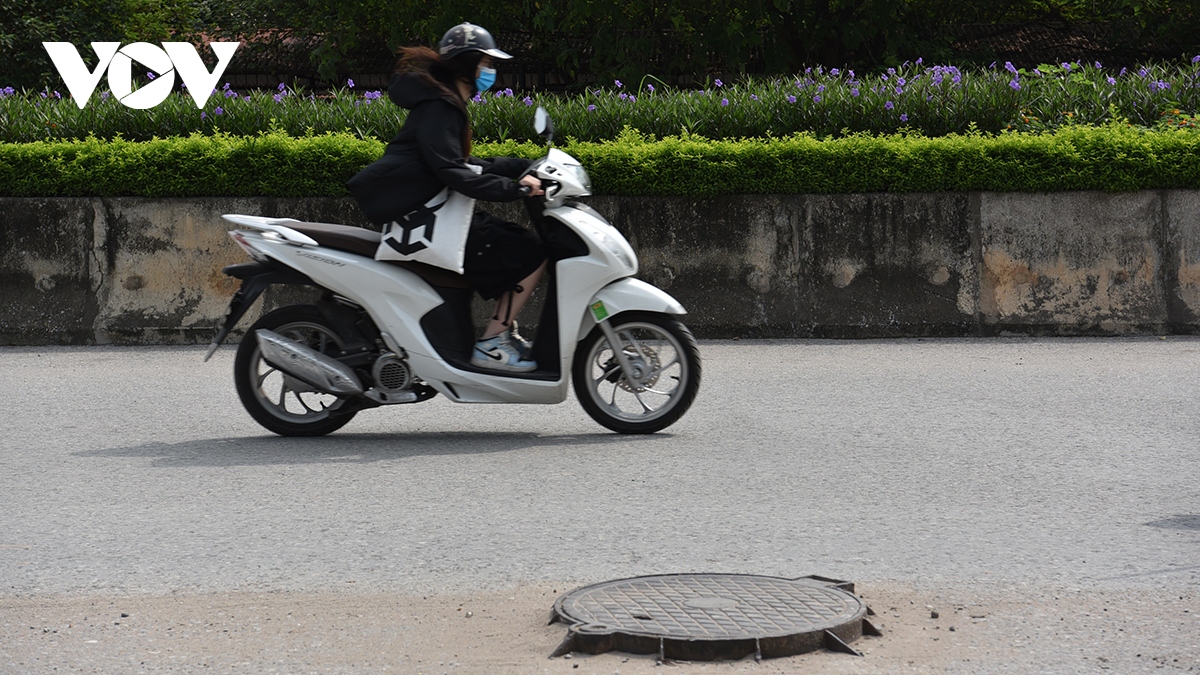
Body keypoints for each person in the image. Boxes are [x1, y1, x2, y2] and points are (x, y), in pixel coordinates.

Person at [347, 23, 546, 373]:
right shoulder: (440, 107)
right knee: (528, 253)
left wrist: (523, 166)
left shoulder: (443, 103)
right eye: (485, 63)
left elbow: (462, 164)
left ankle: (498, 334)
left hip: (432, 210)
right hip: (426, 215)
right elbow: (453, 173)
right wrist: (515, 188)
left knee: (514, 244)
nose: (490, 71)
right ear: (468, 64)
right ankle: (490, 346)